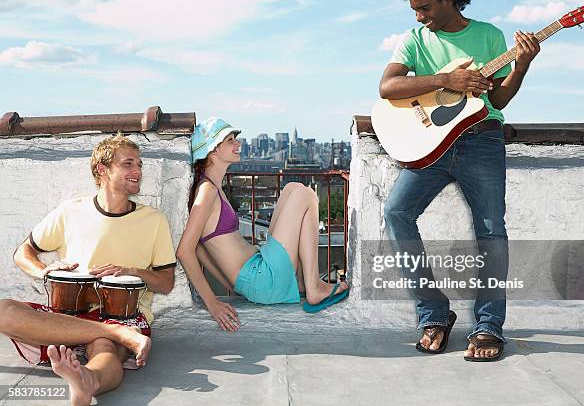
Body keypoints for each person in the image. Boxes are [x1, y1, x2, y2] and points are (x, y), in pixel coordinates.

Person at [380, 0, 540, 361]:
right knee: (396, 213)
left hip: (481, 140)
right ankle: (434, 314)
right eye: (415, 9)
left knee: (491, 231)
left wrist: (522, 65)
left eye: (425, 7)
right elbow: (388, 87)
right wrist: (444, 80)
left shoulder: (489, 35)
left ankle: (488, 327)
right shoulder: (414, 39)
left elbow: (499, 97)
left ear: (448, 0)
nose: (420, 16)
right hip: (432, 146)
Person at [0, 134, 176, 405]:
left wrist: (133, 271)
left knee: (104, 348)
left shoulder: (154, 220)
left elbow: (166, 283)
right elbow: (23, 252)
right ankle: (115, 335)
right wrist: (45, 270)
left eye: (139, 165)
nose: (138, 171)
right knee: (4, 310)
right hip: (67, 317)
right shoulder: (70, 212)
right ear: (102, 170)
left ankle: (87, 381)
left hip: (123, 315)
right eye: (128, 164)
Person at [176, 117, 349, 332]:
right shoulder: (207, 191)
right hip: (260, 279)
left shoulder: (212, 187)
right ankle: (313, 287)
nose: (237, 143)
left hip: (256, 273)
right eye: (230, 140)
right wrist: (212, 303)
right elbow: (185, 250)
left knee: (292, 188)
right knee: (306, 195)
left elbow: (202, 248)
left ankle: (304, 282)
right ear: (213, 151)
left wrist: (232, 285)